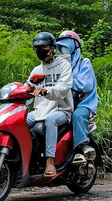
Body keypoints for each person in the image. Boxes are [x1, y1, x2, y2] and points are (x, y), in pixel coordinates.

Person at [25, 32, 74, 177]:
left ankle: (50, 161)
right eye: (37, 48)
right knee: (21, 120)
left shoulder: (64, 65)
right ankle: (26, 160)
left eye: (44, 47)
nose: (41, 50)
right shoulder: (37, 70)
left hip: (61, 110)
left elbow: (63, 88)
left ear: (53, 48)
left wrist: (47, 91)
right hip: (39, 110)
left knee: (50, 120)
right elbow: (27, 89)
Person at [56, 30, 98, 165]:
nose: (64, 50)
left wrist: (66, 80)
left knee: (77, 116)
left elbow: (84, 85)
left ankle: (81, 148)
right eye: (61, 47)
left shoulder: (84, 63)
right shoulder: (58, 65)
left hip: (83, 103)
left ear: (75, 46)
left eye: (66, 46)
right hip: (64, 102)